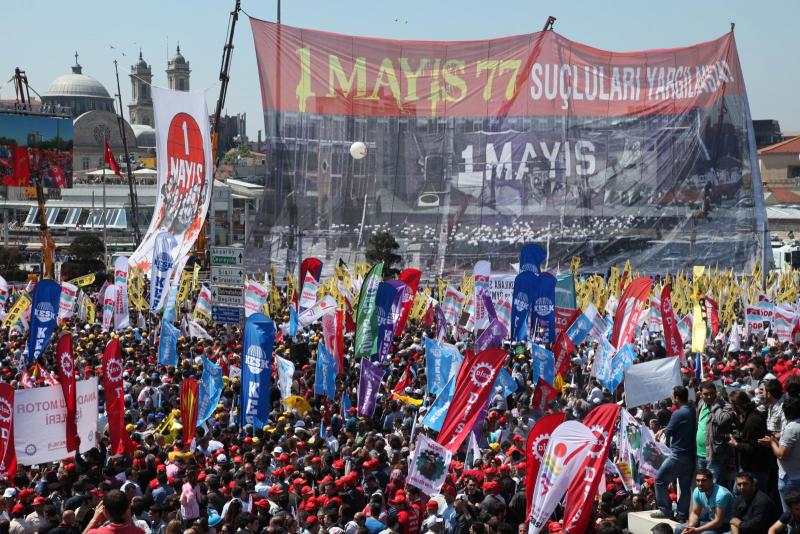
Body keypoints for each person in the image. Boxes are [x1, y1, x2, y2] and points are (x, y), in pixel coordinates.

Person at [652, 385, 696, 522]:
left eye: (672, 396)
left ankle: (665, 510)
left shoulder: (678, 413)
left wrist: (662, 430)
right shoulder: (692, 410)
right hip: (690, 456)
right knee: (684, 487)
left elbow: (669, 431)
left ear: (676, 397)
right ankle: (682, 515)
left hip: (678, 455)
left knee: (659, 480)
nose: (671, 399)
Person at [761, 395, 800, 511]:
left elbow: (782, 454)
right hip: (795, 475)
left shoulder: (792, 428)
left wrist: (772, 442)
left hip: (790, 479)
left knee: (790, 516)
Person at [695, 381, 735, 488]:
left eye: (712, 393)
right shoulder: (700, 404)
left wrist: (716, 405)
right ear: (700, 394)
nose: (709, 396)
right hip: (700, 455)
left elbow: (722, 420)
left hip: (715, 456)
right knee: (702, 487)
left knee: (715, 487)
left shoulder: (725, 406)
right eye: (706, 394)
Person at [674, 468, 734, 534]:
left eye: (704, 480)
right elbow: (695, 513)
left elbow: (719, 521)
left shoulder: (721, 495)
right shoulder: (697, 491)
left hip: (724, 525)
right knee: (678, 529)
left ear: (711, 480)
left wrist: (698, 530)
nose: (700, 483)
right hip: (709, 521)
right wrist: (690, 527)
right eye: (698, 480)